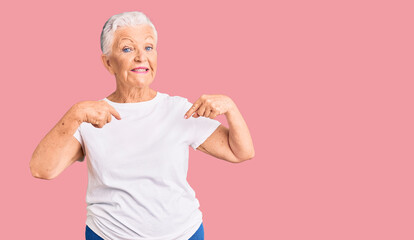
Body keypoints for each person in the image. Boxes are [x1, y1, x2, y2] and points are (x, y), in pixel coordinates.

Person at [30, 11, 255, 240]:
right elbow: (42, 169)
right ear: (108, 62)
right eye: (127, 49)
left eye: (148, 47)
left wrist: (230, 107)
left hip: (182, 234)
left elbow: (241, 152)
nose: (141, 57)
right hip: (108, 235)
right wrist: (75, 113)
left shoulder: (178, 110)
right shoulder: (90, 116)